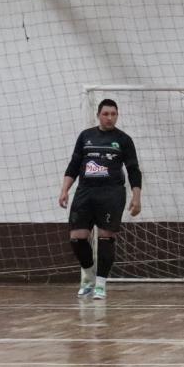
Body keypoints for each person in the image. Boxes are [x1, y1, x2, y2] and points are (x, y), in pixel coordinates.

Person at [59, 99, 142, 299]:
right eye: (106, 114)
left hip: (111, 193)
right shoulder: (85, 136)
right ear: (98, 115)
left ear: (117, 115)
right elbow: (74, 165)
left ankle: (101, 285)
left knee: (106, 237)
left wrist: (136, 197)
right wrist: (64, 190)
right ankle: (89, 277)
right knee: (77, 237)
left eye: (113, 114)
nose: (109, 118)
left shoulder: (124, 140)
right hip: (85, 192)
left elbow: (133, 170)